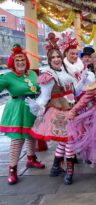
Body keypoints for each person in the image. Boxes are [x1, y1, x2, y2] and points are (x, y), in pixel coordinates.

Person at [27, 32, 79, 185]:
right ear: (49, 60)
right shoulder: (48, 76)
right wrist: (38, 107)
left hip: (70, 108)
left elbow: (74, 90)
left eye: (58, 56)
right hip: (58, 111)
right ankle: (69, 170)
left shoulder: (64, 72)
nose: (56, 59)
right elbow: (44, 97)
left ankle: (56, 166)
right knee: (69, 140)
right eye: (53, 57)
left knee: (64, 141)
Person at [0, 45, 45, 185]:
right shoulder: (7, 76)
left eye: (23, 60)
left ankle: (31, 159)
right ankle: (12, 169)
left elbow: (39, 88)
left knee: (32, 135)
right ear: (12, 62)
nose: (20, 62)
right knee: (17, 139)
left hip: (32, 107)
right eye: (17, 60)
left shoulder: (32, 74)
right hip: (17, 109)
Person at [60, 32, 95, 97]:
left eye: (76, 54)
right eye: (72, 54)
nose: (75, 56)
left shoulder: (82, 68)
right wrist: (82, 81)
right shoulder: (62, 68)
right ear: (66, 53)